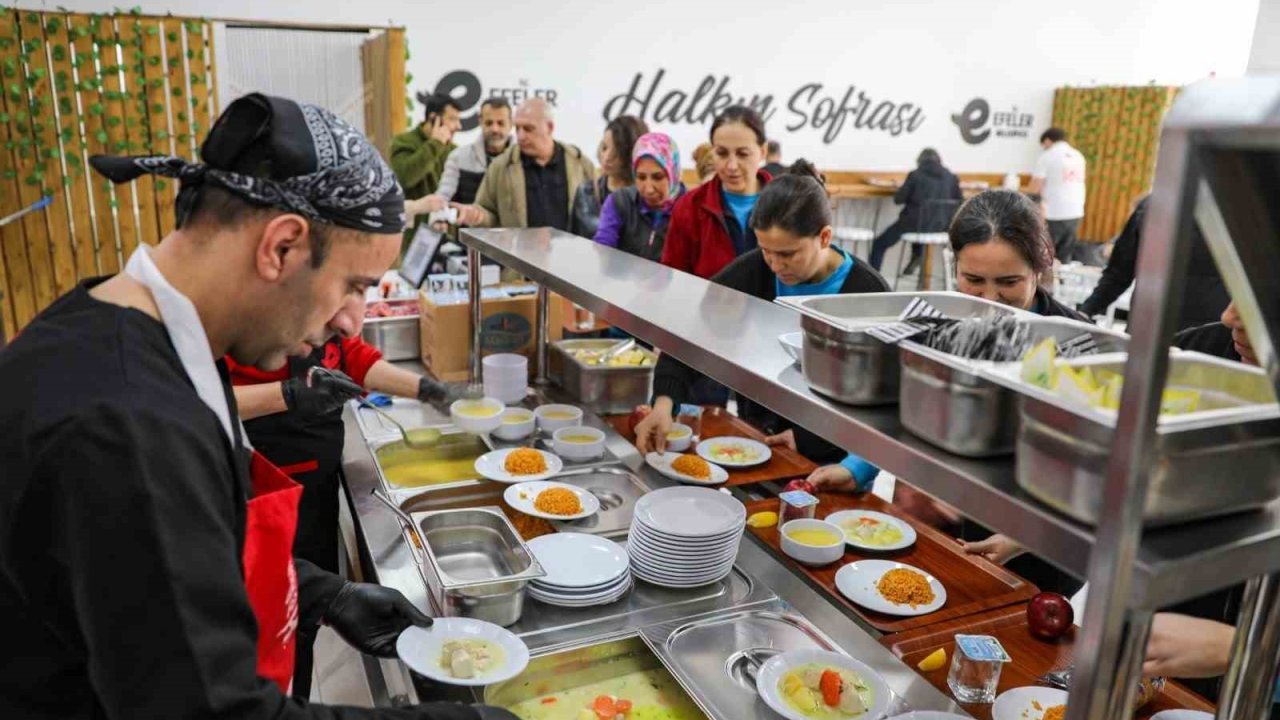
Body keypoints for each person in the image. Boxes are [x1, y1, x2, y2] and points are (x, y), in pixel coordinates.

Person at [0, 93, 516, 719]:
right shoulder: (125, 427)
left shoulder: (131, 331)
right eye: (353, 287)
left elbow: (185, 550)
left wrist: (324, 594)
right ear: (281, 247)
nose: (351, 321)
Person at [634, 161, 886, 492]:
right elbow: (691, 333)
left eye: (788, 254)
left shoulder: (868, 293)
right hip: (757, 448)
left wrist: (855, 467)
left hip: (833, 466)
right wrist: (665, 402)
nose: (775, 265)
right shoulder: (752, 272)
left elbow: (884, 406)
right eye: (766, 251)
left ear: (825, 237)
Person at [1078, 195, 1230, 331]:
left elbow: (1118, 273)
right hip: (1153, 331)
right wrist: (1087, 310)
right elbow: (1119, 272)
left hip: (1194, 336)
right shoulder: (1150, 208)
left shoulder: (1151, 207)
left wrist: (1087, 310)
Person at [661, 105, 772, 279]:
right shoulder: (689, 207)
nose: (732, 166)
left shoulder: (785, 205)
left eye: (743, 154)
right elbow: (674, 278)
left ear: (763, 151)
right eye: (721, 153)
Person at [453, 98, 595, 230]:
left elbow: (597, 216)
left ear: (550, 127)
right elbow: (487, 211)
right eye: (517, 128)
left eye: (528, 129)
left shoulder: (580, 164)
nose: (520, 136)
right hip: (518, 256)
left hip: (569, 255)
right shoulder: (500, 167)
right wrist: (478, 216)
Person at [949, 189, 1089, 319]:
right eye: (974, 280)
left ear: (1037, 271)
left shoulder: (1079, 337)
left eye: (1009, 282)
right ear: (956, 267)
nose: (990, 299)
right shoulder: (934, 326)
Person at [593, 132, 686, 262]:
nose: (648, 189)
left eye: (657, 177)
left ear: (673, 174)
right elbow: (602, 249)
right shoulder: (619, 202)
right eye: (641, 177)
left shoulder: (692, 209)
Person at [868, 148, 963, 272]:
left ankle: (873, 279)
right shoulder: (951, 177)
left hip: (915, 225)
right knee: (922, 226)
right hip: (942, 226)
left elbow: (898, 199)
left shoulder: (916, 175)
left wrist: (901, 187)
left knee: (879, 244)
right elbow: (959, 201)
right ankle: (918, 253)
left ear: (920, 161)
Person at [414, 97, 513, 213]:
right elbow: (443, 196)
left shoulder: (525, 158)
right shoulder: (458, 157)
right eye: (489, 123)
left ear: (511, 123)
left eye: (501, 123)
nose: (494, 129)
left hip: (516, 230)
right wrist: (438, 218)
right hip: (470, 229)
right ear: (480, 122)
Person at [391, 93, 462, 252]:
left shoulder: (454, 151)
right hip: (413, 240)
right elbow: (406, 177)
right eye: (452, 119)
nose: (458, 126)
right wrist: (435, 144)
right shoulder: (403, 142)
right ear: (434, 118)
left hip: (447, 239)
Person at [572, 115, 648, 238]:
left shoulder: (646, 197)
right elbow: (573, 239)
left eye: (617, 151)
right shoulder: (586, 192)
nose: (607, 158)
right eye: (604, 147)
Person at [1028, 127, 1087, 263]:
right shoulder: (1078, 155)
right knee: (1065, 255)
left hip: (1054, 212)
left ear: (1048, 140)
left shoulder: (1047, 156)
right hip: (1076, 211)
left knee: (1046, 254)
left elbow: (1035, 187)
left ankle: (1044, 283)